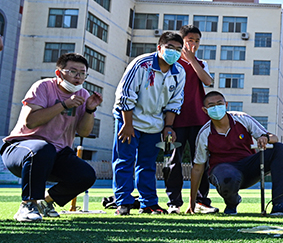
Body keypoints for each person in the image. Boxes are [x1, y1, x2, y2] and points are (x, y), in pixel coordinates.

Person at [2, 53, 102, 221]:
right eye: (72, 71)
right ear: (58, 73)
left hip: (55, 154)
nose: (78, 77)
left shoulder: (84, 95)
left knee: (86, 175)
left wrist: (90, 110)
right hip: (21, 149)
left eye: (82, 73)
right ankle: (28, 204)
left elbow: (84, 133)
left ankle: (46, 202)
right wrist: (63, 105)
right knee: (43, 148)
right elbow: (31, 122)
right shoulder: (43, 86)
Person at [187, 91, 283, 217]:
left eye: (219, 104)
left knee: (279, 148)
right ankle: (232, 203)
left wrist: (265, 138)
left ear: (226, 105)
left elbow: (274, 138)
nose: (216, 108)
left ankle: (280, 204)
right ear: (205, 110)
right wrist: (192, 202)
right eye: (211, 105)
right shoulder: (204, 134)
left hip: (248, 166)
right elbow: (197, 168)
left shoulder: (242, 119)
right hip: (223, 170)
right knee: (227, 175)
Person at [112, 32, 186, 215]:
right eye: (170, 48)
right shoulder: (141, 64)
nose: (174, 53)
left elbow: (175, 102)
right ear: (159, 48)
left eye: (178, 49)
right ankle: (123, 202)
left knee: (148, 164)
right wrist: (127, 124)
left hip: (155, 123)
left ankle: (149, 203)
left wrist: (168, 127)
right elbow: (125, 95)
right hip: (129, 118)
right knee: (125, 160)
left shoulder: (179, 72)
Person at [164, 25, 217, 214]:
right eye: (189, 40)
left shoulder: (201, 63)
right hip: (175, 120)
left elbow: (208, 82)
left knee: (201, 160)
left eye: (196, 41)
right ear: (182, 41)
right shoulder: (172, 62)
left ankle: (202, 201)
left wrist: (193, 60)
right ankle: (174, 203)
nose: (193, 44)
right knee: (173, 162)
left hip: (198, 119)